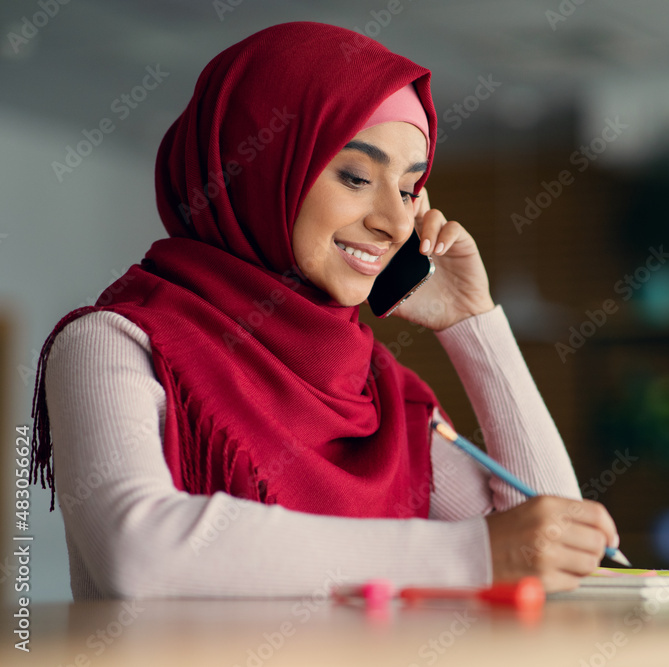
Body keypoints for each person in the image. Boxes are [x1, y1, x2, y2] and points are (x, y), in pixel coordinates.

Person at [29, 22, 620, 600]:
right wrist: (474, 554)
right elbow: (138, 554)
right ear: (257, 168)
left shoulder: (380, 393)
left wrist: (474, 323)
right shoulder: (115, 342)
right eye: (358, 176)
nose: (394, 222)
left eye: (411, 189)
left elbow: (556, 547)